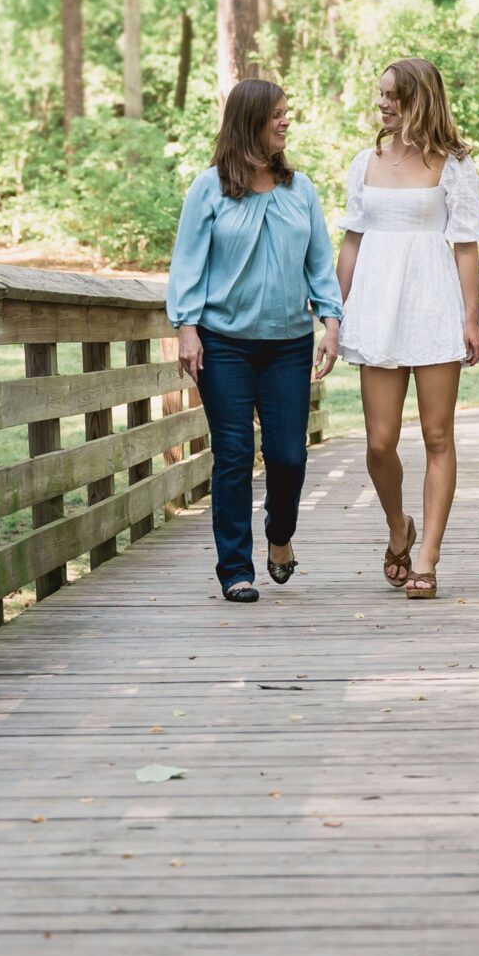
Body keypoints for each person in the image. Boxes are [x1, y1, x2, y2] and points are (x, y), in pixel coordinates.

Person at [167, 79, 342, 603]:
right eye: (277, 116)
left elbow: (319, 262)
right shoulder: (208, 189)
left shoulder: (300, 189)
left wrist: (331, 321)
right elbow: (187, 264)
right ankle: (235, 569)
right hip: (224, 344)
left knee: (289, 456)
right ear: (250, 122)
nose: (286, 122)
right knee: (235, 452)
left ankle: (279, 536)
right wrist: (186, 328)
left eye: (287, 114)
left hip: (288, 343)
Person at [337, 57, 479, 602]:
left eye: (392, 96)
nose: (382, 104)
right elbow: (351, 241)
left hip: (433, 302)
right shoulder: (365, 162)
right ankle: (399, 526)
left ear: (419, 100)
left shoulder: (453, 163)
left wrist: (471, 318)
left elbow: (465, 244)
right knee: (379, 443)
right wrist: (334, 313)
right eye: (380, 94)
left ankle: (428, 554)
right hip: (376, 303)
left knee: (437, 436)